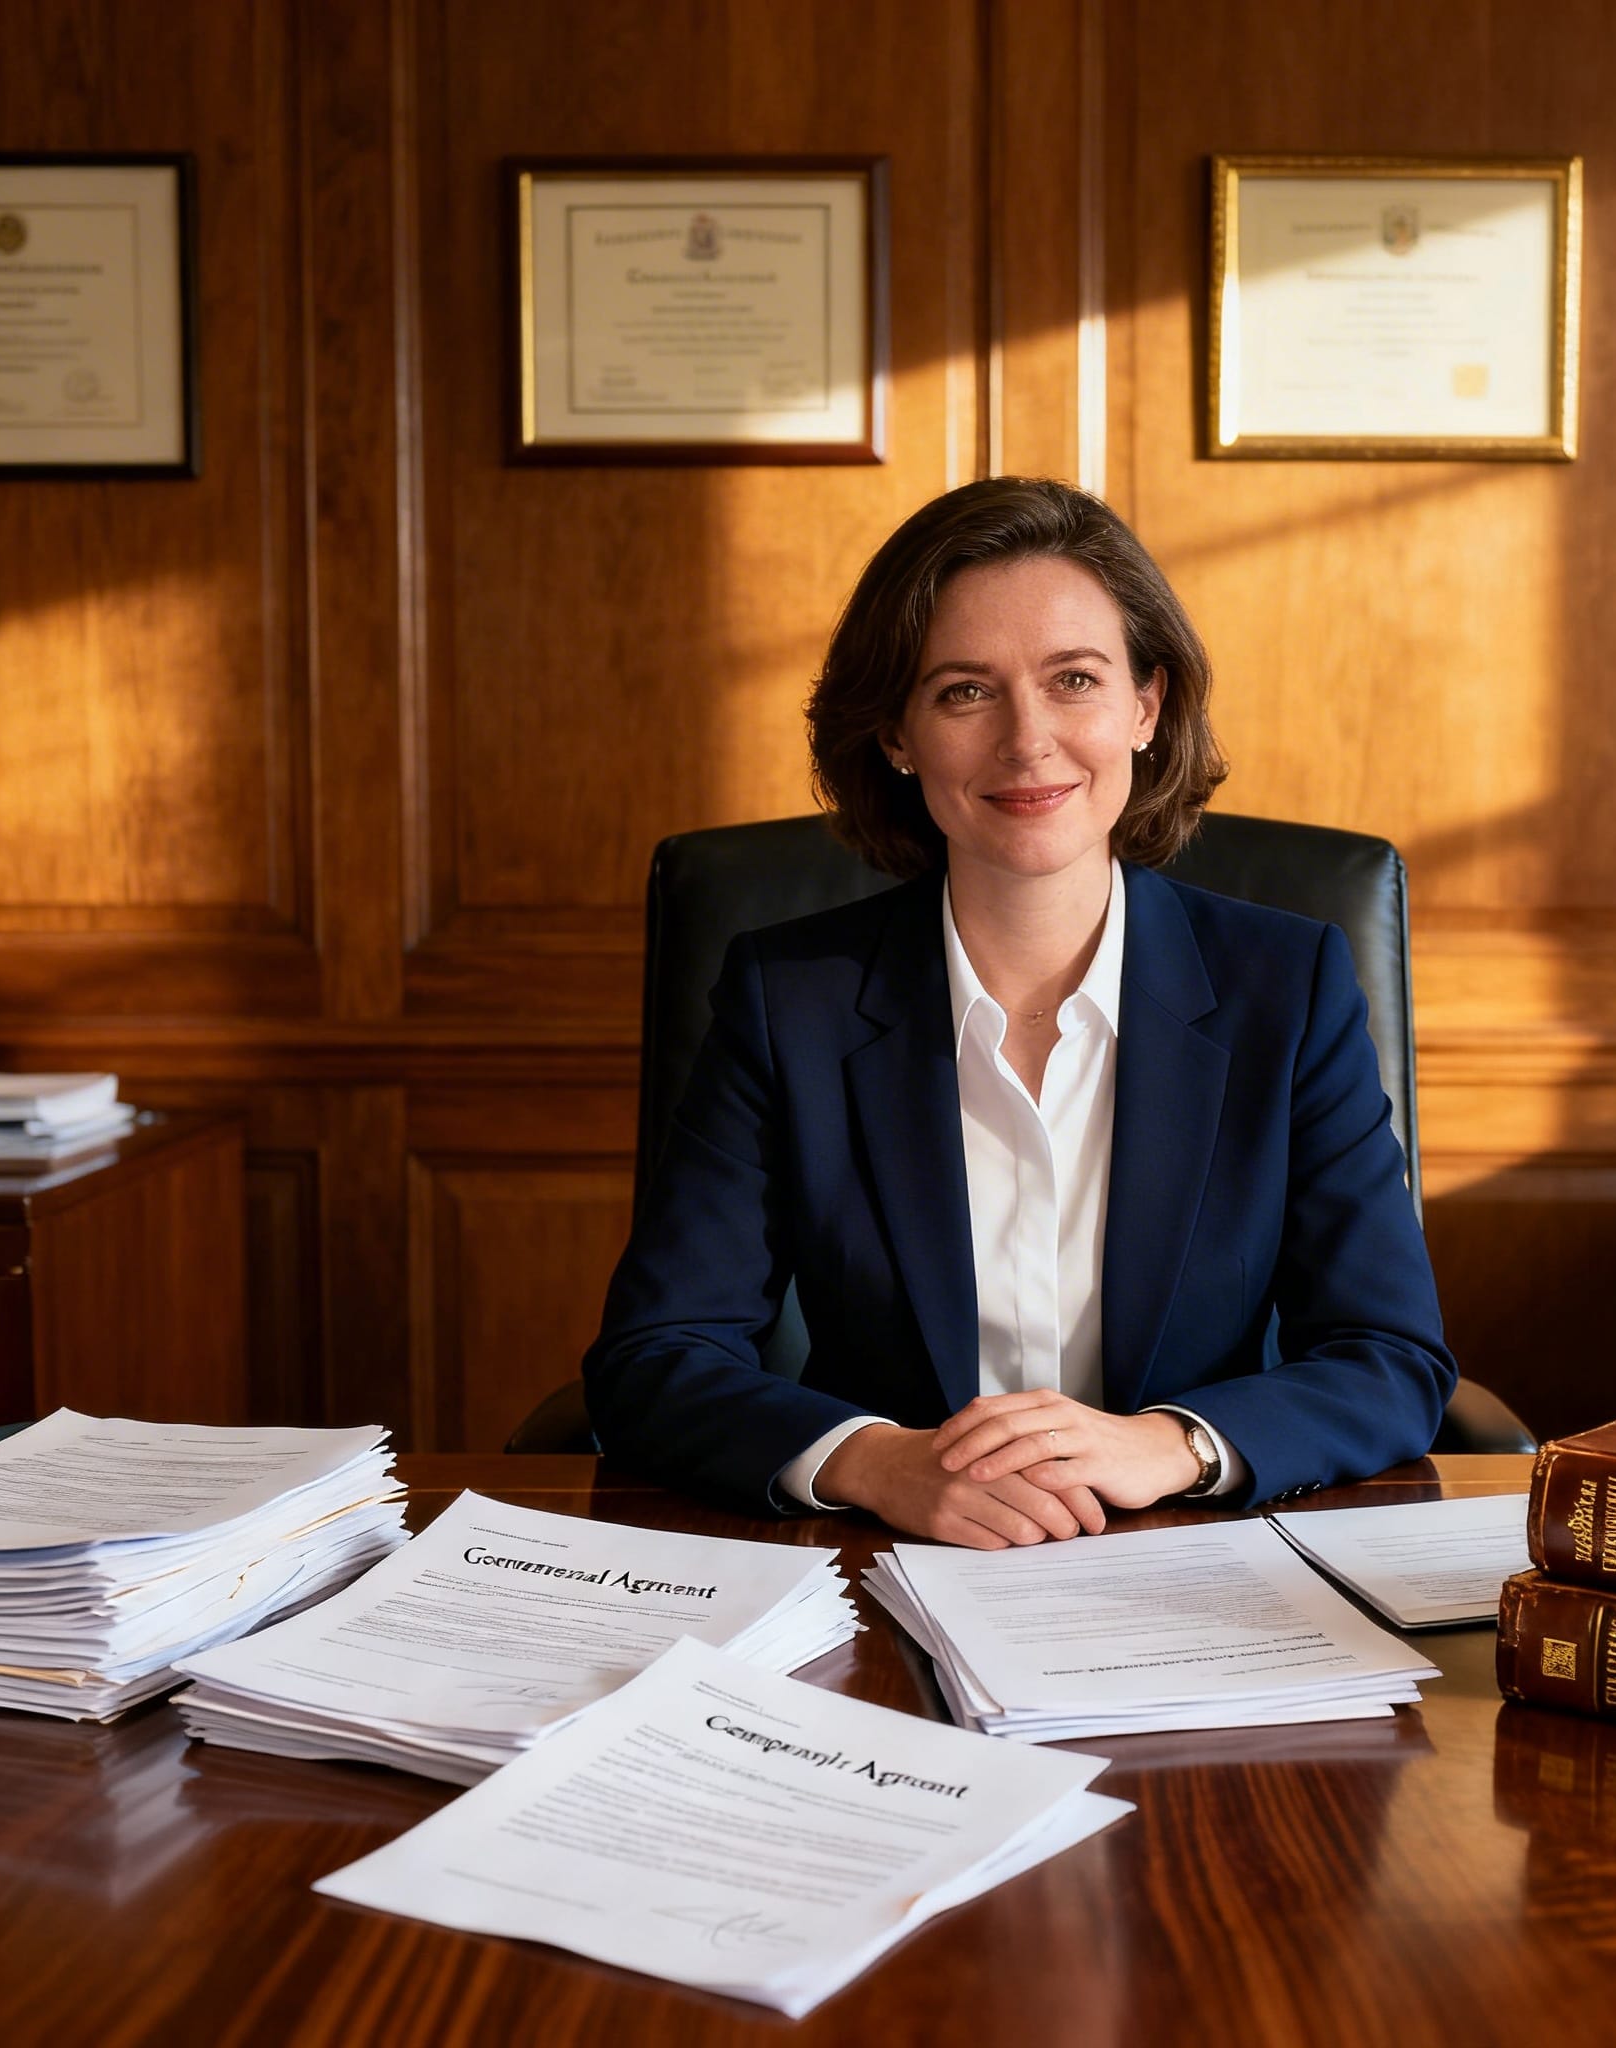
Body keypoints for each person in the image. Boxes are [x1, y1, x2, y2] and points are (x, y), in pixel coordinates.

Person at [584, 478, 1455, 1547]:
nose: (1026, 739)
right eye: (962, 691)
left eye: (1073, 679)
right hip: (891, 1561)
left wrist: (1169, 1442)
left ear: (1145, 705)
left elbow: (1390, 1356)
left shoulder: (1287, 985)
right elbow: (654, 1357)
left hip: (1192, 1567)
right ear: (896, 733)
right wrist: (876, 1460)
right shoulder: (788, 1000)